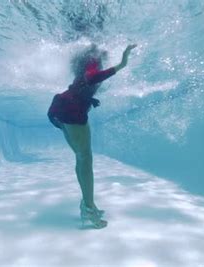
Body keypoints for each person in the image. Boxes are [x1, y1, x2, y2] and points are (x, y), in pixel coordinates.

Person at [47, 44, 137, 229]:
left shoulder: (85, 59)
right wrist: (122, 64)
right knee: (85, 158)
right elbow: (91, 77)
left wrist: (89, 98)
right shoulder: (93, 58)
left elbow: (84, 82)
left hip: (66, 107)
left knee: (82, 157)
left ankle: (88, 204)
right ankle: (88, 208)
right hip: (72, 110)